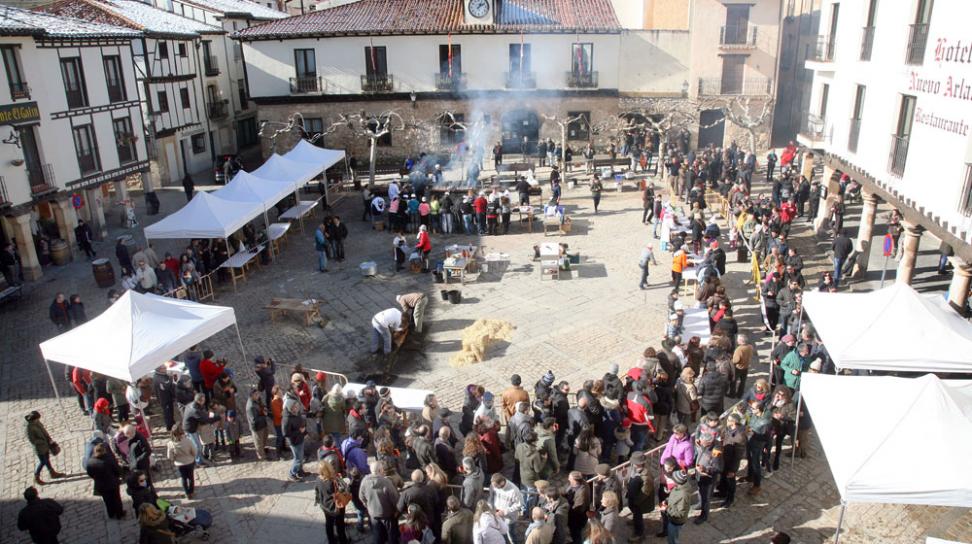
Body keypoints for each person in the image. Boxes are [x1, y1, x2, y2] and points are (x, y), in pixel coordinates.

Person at [359, 460, 400, 544]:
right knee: (392, 535)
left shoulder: (364, 481)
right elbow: (395, 498)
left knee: (378, 535)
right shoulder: (386, 482)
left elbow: (361, 496)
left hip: (374, 514)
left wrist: (368, 505)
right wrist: (397, 510)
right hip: (387, 514)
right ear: (380, 470)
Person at [315, 459, 351, 544]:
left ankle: (331, 540)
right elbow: (343, 490)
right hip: (336, 507)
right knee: (340, 524)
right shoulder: (333, 481)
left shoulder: (318, 479)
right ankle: (343, 541)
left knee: (329, 523)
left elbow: (317, 491)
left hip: (325, 506)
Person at [86, 443, 124, 519]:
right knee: (116, 499)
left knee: (107, 500)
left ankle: (111, 513)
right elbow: (117, 470)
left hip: (100, 485)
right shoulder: (108, 460)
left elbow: (90, 473)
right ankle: (119, 514)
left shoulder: (90, 462)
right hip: (112, 483)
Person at [26, 411, 63, 485]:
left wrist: (49, 439)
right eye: (37, 419)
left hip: (46, 444)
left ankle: (52, 472)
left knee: (47, 459)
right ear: (34, 419)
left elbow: (44, 431)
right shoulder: (29, 428)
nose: (38, 420)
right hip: (40, 447)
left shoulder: (37, 422)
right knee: (43, 461)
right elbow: (33, 440)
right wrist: (42, 441)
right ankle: (36, 476)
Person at [661, 469, 694, 543]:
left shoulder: (683, 495)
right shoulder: (679, 486)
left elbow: (680, 513)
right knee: (671, 537)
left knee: (673, 540)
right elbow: (673, 496)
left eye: (673, 479)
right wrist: (666, 501)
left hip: (676, 521)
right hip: (672, 518)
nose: (672, 480)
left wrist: (666, 510)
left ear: (678, 481)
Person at [166, 426, 197, 498]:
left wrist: (174, 459)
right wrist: (192, 456)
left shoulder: (171, 444)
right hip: (189, 462)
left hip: (179, 464)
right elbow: (194, 451)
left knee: (183, 478)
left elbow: (169, 456)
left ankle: (187, 493)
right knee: (191, 477)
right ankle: (191, 492)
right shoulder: (188, 441)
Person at [283, 401, 307, 481]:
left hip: (300, 438)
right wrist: (299, 431)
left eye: (297, 406)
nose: (297, 408)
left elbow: (301, 424)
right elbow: (286, 433)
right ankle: (292, 473)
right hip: (294, 441)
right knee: (297, 459)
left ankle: (299, 471)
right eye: (295, 407)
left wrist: (304, 432)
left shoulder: (297, 413)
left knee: (301, 456)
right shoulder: (287, 419)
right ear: (290, 408)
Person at [246, 388, 270, 461]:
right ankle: (262, 456)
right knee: (258, 441)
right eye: (256, 394)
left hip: (263, 424)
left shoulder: (257, 400)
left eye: (258, 394)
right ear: (251, 396)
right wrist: (264, 415)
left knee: (264, 437)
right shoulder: (250, 407)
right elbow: (254, 420)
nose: (258, 396)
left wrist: (264, 408)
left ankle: (263, 450)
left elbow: (262, 406)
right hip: (257, 427)